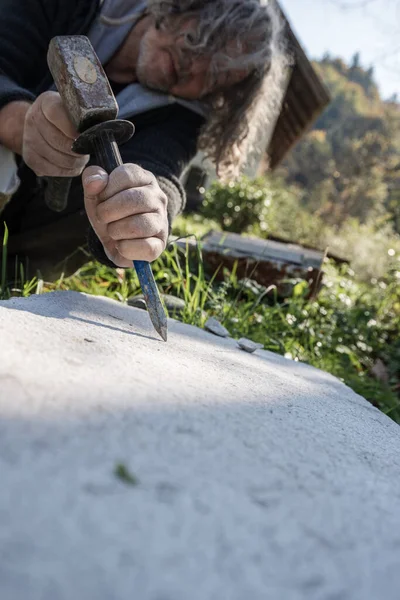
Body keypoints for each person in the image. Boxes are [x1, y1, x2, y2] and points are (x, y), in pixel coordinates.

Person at [0, 0, 287, 278]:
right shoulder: (76, 5)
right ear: (180, 5)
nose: (195, 69)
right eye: (202, 41)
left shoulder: (183, 113)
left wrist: (146, 210)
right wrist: (19, 121)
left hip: (22, 256)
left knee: (109, 188)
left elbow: (160, 168)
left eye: (216, 77)